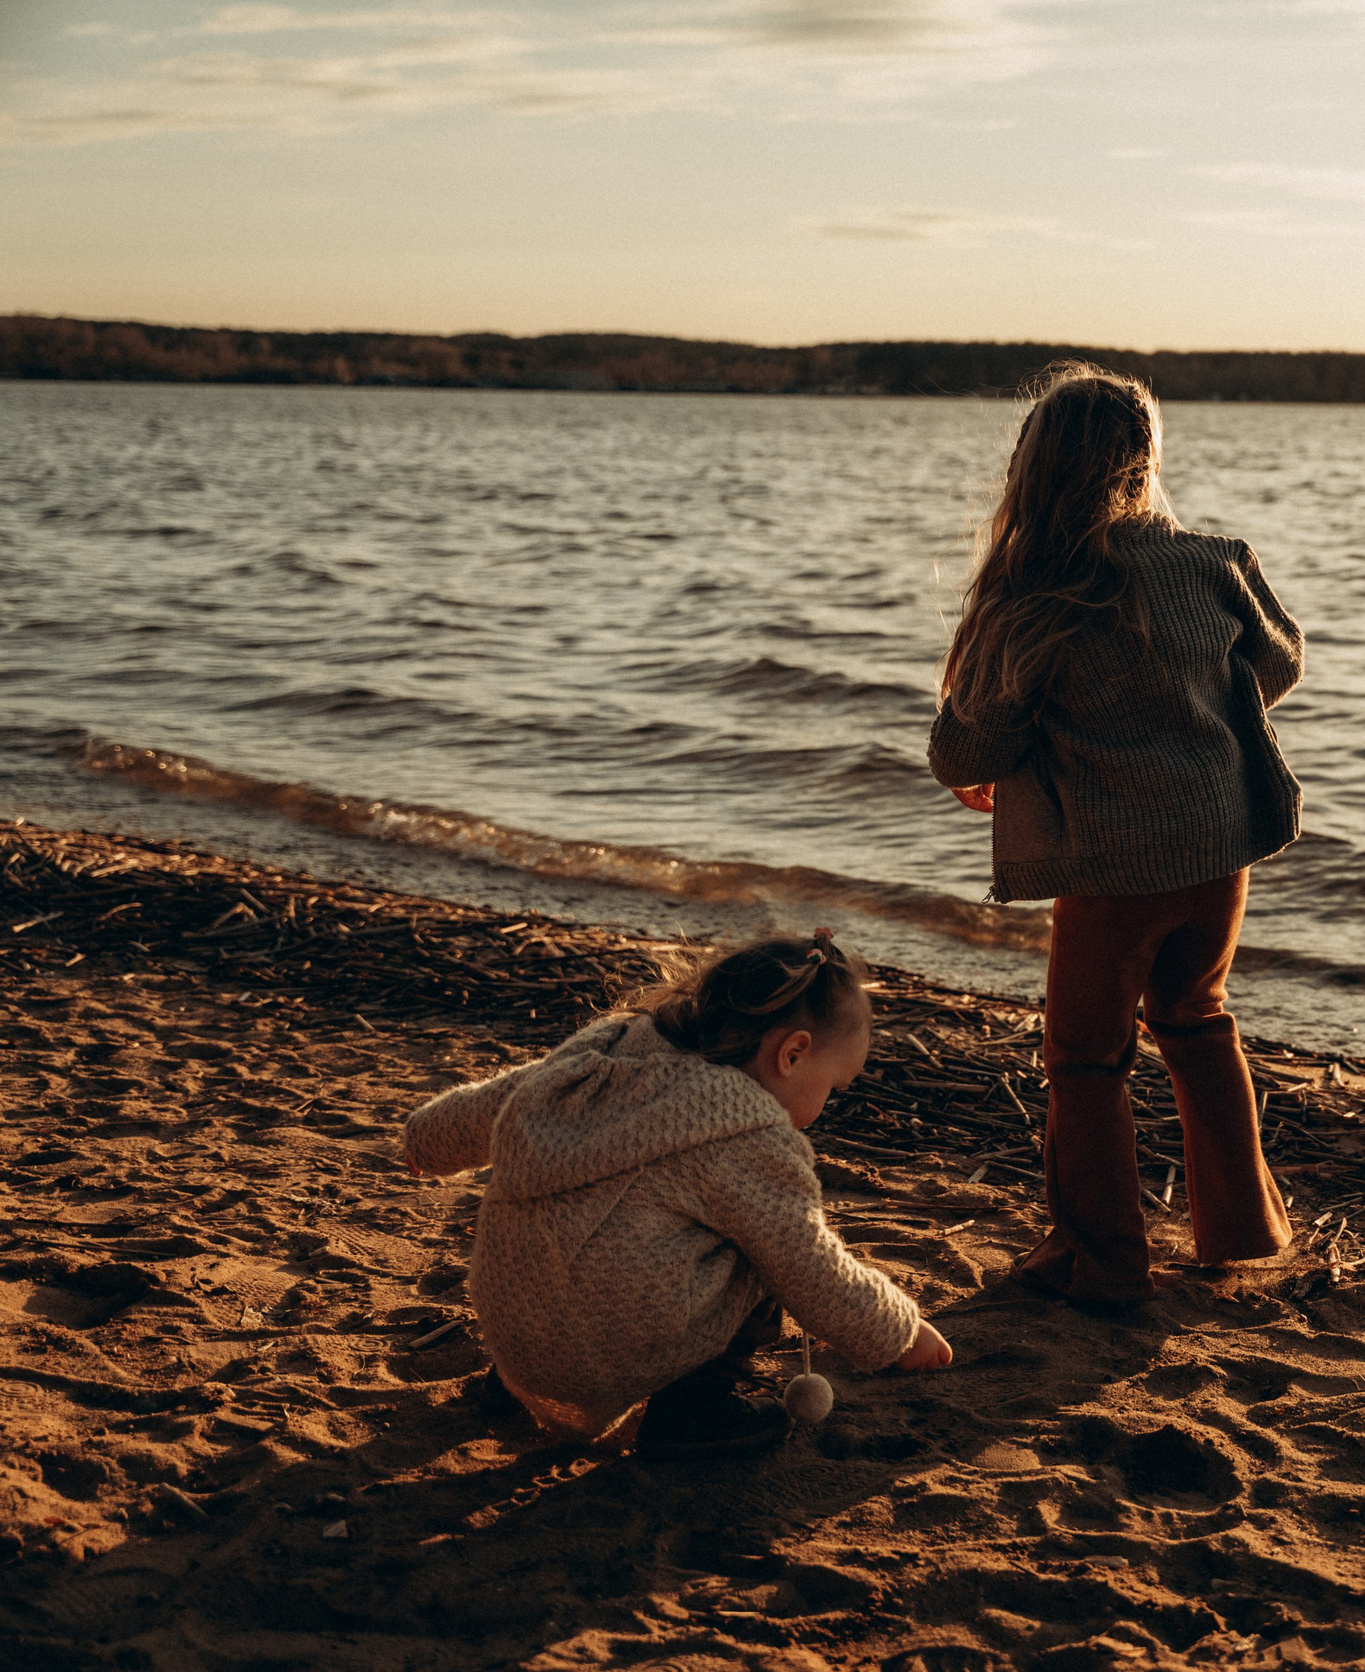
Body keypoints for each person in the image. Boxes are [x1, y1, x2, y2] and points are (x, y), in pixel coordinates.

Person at [929, 363, 1303, 1304]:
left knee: (1086, 1058)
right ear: (1144, 462)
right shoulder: (1215, 561)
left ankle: (1102, 1260)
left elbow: (963, 745)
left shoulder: (1035, 597)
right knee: (1196, 1019)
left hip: (1111, 867)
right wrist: (1195, 700)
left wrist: (1009, 759)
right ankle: (1241, 1233)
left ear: (1033, 469)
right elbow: (1281, 662)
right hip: (1220, 847)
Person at [401, 930, 951, 1458]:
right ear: (793, 1053)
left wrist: (425, 1140)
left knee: (594, 1232)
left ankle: (505, 1390)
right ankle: (693, 1414)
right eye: (833, 1087)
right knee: (763, 1254)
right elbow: (812, 1269)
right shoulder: (746, 1136)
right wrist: (901, 1334)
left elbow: (500, 1100)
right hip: (597, 1350)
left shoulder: (614, 1044)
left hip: (514, 1330)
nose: (826, 1104)